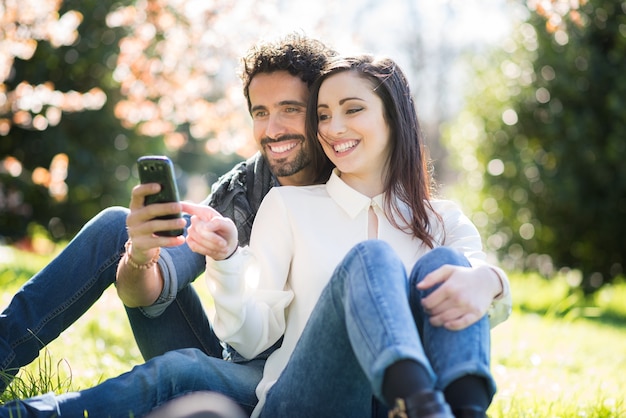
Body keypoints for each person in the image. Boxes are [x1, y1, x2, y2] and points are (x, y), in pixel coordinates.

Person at [0, 31, 335, 408]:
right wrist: (142, 253)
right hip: (236, 363)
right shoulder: (246, 186)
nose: (272, 130)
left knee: (181, 369)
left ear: (320, 111)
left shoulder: (350, 186)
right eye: (260, 112)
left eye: (289, 109)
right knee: (118, 225)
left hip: (290, 386)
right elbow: (149, 294)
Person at [181, 54, 513, 418]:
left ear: (393, 116)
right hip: (303, 403)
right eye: (323, 115)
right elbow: (250, 339)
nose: (333, 128)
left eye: (352, 109)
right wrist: (226, 262)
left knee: (450, 264)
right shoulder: (289, 207)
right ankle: (422, 405)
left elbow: (484, 305)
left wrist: (490, 279)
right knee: (371, 258)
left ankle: (466, 411)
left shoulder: (444, 220)